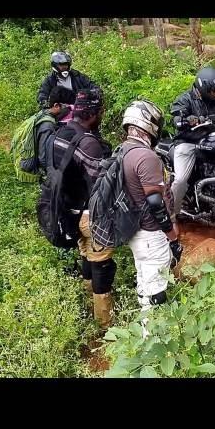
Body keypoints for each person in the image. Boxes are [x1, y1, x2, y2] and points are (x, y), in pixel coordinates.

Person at [51, 88, 114, 328]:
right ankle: (104, 323)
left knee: (86, 255)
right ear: (94, 113)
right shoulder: (89, 143)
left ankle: (88, 300)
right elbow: (101, 187)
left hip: (67, 211)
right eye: (101, 112)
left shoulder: (59, 134)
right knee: (102, 265)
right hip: (89, 216)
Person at [121, 100, 182, 312]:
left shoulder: (123, 150)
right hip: (150, 233)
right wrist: (172, 235)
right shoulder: (146, 156)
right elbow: (155, 202)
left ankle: (143, 330)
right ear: (148, 123)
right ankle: (152, 337)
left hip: (135, 231)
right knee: (156, 291)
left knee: (145, 280)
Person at [169, 66, 215, 215]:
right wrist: (186, 120)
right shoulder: (185, 99)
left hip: (211, 140)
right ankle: (170, 216)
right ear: (204, 88)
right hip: (188, 143)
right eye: (214, 91)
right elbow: (177, 116)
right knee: (180, 181)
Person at [34, 86, 76, 173]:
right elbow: (43, 158)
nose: (71, 111)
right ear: (56, 106)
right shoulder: (48, 126)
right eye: (68, 108)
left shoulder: (45, 113)